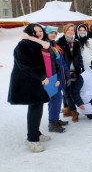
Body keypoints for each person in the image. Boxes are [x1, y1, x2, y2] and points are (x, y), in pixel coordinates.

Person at [8, 24, 58, 152]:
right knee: (35, 107)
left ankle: (36, 133)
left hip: (41, 81)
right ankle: (32, 139)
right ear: (29, 32)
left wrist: (51, 76)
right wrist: (41, 76)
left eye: (40, 31)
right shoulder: (23, 45)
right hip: (29, 82)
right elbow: (24, 64)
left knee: (38, 105)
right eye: (35, 31)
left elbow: (49, 62)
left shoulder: (43, 44)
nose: (39, 33)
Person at [43, 26, 70, 133]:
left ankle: (55, 120)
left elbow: (63, 64)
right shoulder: (46, 47)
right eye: (51, 33)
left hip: (60, 78)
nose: (53, 35)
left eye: (55, 33)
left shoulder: (56, 47)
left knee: (56, 100)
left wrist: (66, 76)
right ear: (46, 34)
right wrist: (57, 78)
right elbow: (51, 66)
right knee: (55, 100)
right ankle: (52, 123)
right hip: (52, 79)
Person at [57, 23, 83, 122]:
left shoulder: (76, 42)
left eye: (72, 30)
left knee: (70, 91)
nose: (71, 32)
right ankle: (73, 111)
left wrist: (79, 65)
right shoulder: (59, 42)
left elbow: (79, 56)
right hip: (64, 71)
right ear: (64, 31)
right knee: (67, 92)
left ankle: (66, 109)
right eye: (69, 30)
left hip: (75, 70)